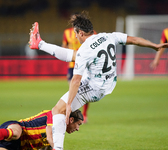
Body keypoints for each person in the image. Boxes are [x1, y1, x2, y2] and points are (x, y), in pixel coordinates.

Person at [29, 12, 168, 150]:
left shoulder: (85, 49)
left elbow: (76, 80)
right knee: (74, 55)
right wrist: (154, 46)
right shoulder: (108, 36)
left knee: (58, 110)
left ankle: (57, 148)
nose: (76, 37)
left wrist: (70, 104)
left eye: (76, 34)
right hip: (109, 83)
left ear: (81, 33)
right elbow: (134, 39)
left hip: (94, 88)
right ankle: (39, 44)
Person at [0, 109, 83, 150]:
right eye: (79, 124)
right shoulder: (54, 115)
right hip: (17, 127)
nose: (78, 129)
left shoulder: (59, 134)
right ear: (71, 120)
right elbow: (49, 135)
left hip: (17, 147)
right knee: (16, 133)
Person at [62, 13, 97, 124]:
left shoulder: (91, 33)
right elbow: (64, 47)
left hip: (85, 65)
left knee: (84, 91)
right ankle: (75, 115)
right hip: (72, 66)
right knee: (73, 91)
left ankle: (84, 114)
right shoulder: (67, 33)